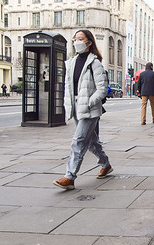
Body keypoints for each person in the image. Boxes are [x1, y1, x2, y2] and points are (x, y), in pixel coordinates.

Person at [53, 29, 112, 190]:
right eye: (75, 39)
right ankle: (105, 164)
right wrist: (69, 105)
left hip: (90, 109)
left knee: (78, 141)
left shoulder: (95, 63)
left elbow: (102, 88)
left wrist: (88, 102)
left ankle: (69, 177)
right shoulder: (71, 62)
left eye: (80, 38)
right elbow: (68, 87)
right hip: (76, 108)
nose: (76, 41)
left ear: (89, 42)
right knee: (92, 141)